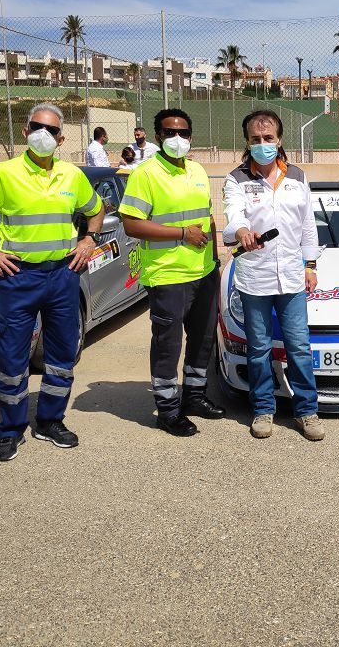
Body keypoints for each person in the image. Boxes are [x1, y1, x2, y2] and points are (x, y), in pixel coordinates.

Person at [0, 102, 104, 462]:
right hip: (19, 277)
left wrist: (88, 239)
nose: (43, 135)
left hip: (64, 275)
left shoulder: (72, 176)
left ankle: (50, 421)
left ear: (61, 138)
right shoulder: (3, 174)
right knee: (13, 354)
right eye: (37, 126)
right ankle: (11, 429)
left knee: (62, 353)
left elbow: (96, 209)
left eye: (51, 130)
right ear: (25, 131)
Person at [118, 108, 225, 436]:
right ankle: (167, 408)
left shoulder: (197, 170)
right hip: (167, 275)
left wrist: (215, 259)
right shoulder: (145, 173)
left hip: (203, 272)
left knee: (203, 339)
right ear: (158, 136)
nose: (177, 139)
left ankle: (194, 396)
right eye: (169, 133)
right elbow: (131, 223)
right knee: (168, 343)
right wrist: (181, 234)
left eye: (183, 133)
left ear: (191, 137)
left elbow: (207, 219)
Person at [222, 110, 325, 441]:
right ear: (247, 143)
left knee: (298, 346)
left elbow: (308, 224)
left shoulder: (297, 176)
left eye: (268, 138)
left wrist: (310, 265)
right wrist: (240, 231)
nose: (262, 144)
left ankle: (306, 411)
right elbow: (233, 214)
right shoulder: (236, 179)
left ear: (279, 140)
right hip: (255, 277)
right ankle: (263, 409)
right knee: (259, 347)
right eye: (256, 139)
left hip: (293, 277)